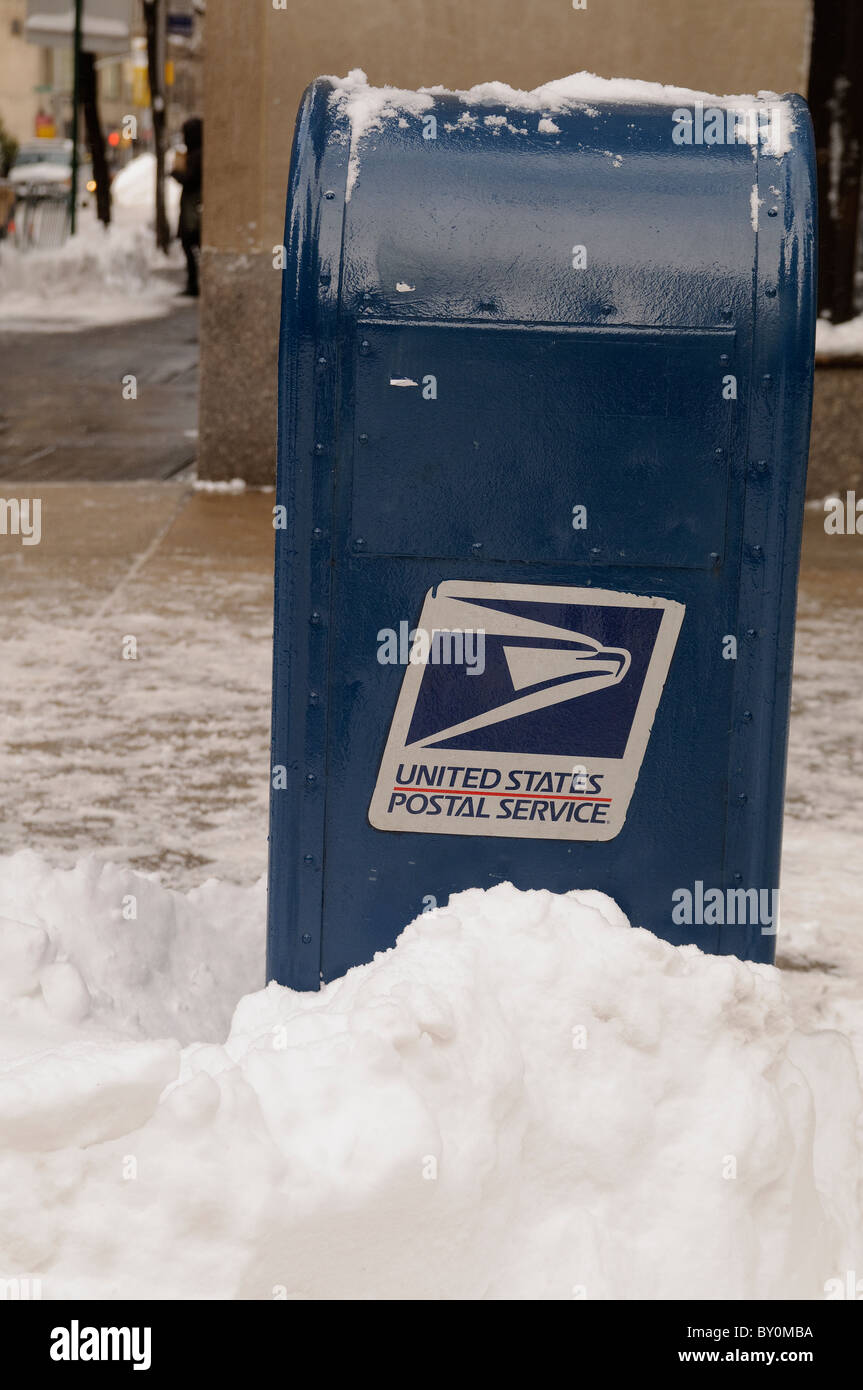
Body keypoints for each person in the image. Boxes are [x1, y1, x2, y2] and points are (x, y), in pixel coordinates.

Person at [171, 116, 202, 297]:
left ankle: (194, 283)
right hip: (192, 207)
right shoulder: (195, 153)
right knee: (190, 245)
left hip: (193, 209)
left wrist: (176, 173)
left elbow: (190, 179)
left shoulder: (197, 155)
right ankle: (193, 282)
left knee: (190, 244)